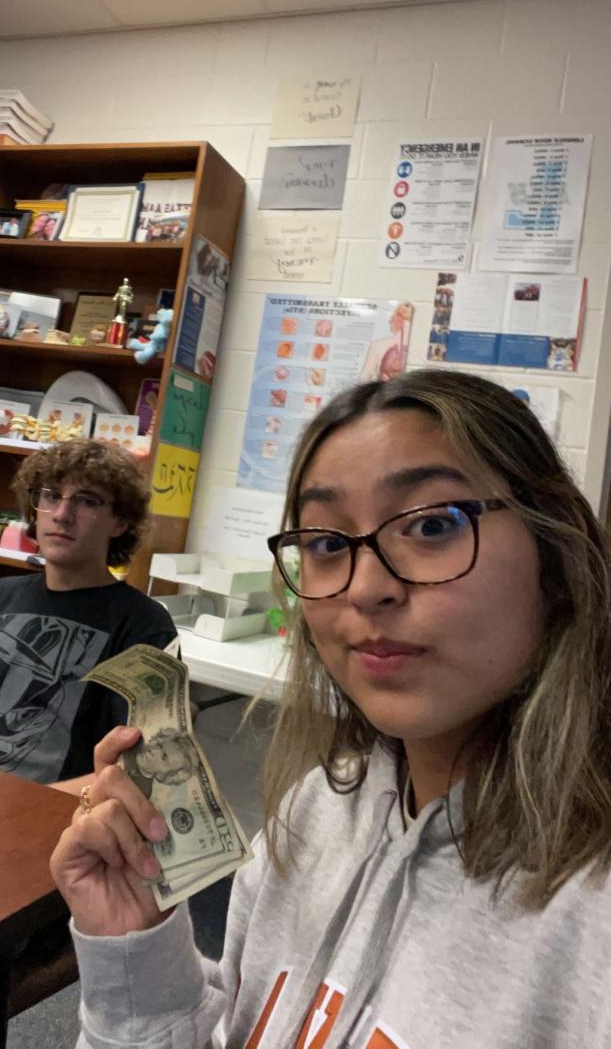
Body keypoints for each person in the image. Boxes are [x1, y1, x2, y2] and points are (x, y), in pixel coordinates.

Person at [49, 369, 611, 1047]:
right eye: (325, 543)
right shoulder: (315, 807)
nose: (365, 588)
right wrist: (137, 957)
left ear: (556, 555)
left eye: (433, 524)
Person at [0, 440, 175, 794]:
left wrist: (22, 806)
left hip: (48, 818)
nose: (62, 514)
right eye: (51, 496)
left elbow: (144, 771)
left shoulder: (143, 626)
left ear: (120, 521)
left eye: (87, 500)